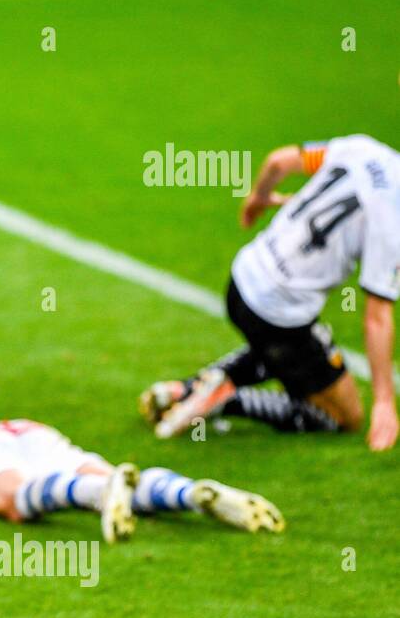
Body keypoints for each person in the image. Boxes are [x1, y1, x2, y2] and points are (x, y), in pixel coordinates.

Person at [142, 135, 399, 451]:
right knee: (344, 417)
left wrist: (259, 197)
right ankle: (230, 398)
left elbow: (279, 161)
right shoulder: (394, 218)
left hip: (241, 279)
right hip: (279, 315)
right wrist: (384, 401)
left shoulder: (363, 148)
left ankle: (185, 390)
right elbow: (377, 316)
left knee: (289, 350)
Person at [0, 393, 283, 542]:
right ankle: (187, 492)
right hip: (12, 429)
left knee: (16, 498)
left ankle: (96, 495)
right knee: (106, 474)